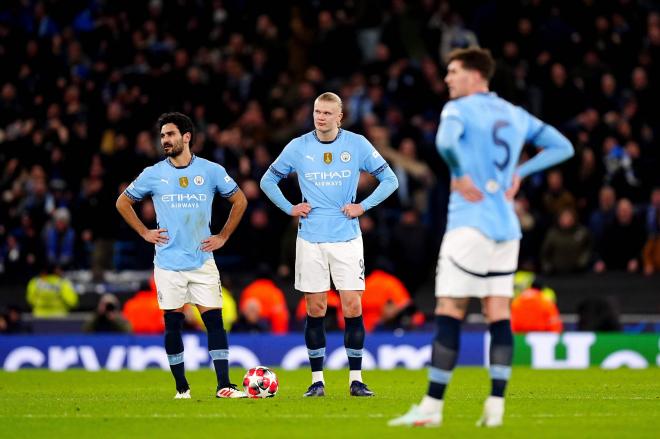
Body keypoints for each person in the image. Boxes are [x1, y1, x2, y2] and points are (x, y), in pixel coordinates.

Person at [389, 47, 573, 428]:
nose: (447, 79)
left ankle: (432, 407)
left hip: (470, 224)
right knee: (498, 314)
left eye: (453, 72)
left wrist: (458, 171)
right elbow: (563, 146)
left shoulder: (458, 109)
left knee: (450, 312)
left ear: (474, 75)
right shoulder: (515, 113)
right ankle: (495, 408)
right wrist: (522, 170)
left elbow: (445, 143)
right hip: (507, 229)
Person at [260, 92, 398, 397]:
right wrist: (290, 207)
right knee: (316, 307)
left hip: (347, 238)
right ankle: (317, 381)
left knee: (352, 305)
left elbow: (390, 180)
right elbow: (267, 180)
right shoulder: (298, 147)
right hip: (310, 239)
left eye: (326, 113)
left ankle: (356, 380)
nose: (320, 117)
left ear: (339, 117)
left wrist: (363, 206)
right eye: (316, 111)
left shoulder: (357, 144)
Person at [116, 112, 248, 399]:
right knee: (173, 322)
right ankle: (182, 389)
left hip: (202, 259)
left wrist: (223, 236)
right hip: (168, 263)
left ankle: (224, 386)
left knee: (214, 321)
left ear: (186, 137)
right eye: (163, 135)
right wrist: (144, 232)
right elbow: (123, 202)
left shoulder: (211, 170)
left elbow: (240, 200)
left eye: (171, 134)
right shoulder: (153, 173)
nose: (165, 140)